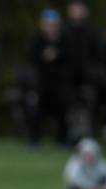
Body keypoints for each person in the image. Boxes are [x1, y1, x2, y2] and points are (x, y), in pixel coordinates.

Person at [63, 0, 101, 142]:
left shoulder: (92, 32)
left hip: (88, 77)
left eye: (79, 9)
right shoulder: (64, 31)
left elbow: (98, 56)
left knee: (88, 104)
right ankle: (71, 135)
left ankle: (86, 136)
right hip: (68, 78)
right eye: (74, 9)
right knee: (70, 105)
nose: (76, 12)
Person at [29, 9, 68, 146]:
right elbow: (32, 61)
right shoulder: (37, 40)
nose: (50, 27)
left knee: (62, 111)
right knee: (38, 111)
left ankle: (63, 140)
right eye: (47, 24)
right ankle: (35, 140)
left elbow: (70, 61)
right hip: (42, 83)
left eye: (53, 24)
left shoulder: (64, 40)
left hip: (59, 83)